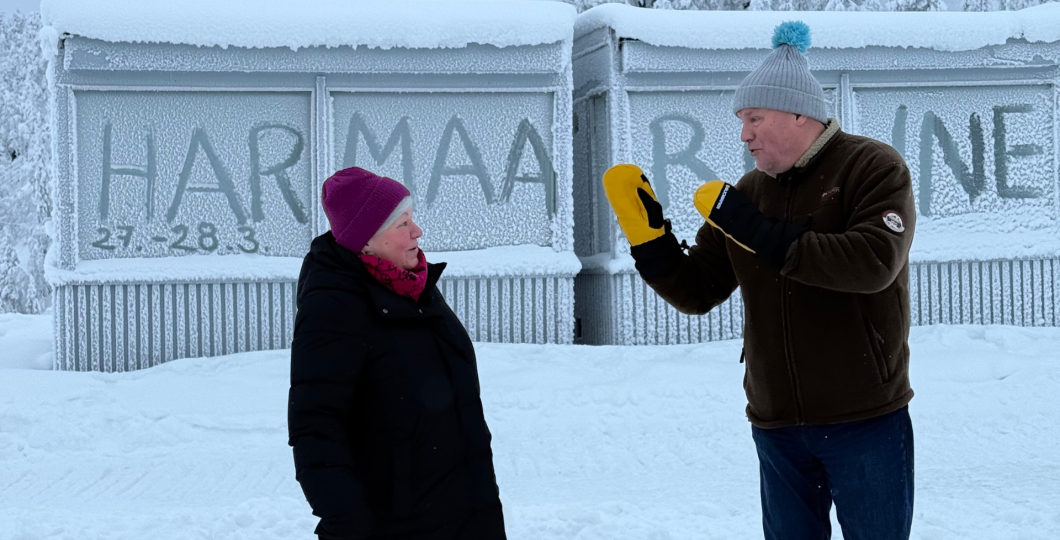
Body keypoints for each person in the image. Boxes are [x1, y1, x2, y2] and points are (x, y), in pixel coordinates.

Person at [603, 21, 916, 540]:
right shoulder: (750, 191)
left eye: (754, 118)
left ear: (799, 113)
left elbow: (872, 263)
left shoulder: (872, 167)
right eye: (741, 121)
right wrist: (651, 243)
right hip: (776, 425)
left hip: (863, 416)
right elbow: (698, 289)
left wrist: (758, 232)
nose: (743, 133)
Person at [288, 167, 506, 540]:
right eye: (402, 223)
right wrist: (347, 523)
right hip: (398, 523)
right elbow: (315, 427)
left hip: (467, 511)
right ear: (366, 241)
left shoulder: (413, 287)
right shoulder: (333, 308)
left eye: (412, 218)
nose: (417, 231)